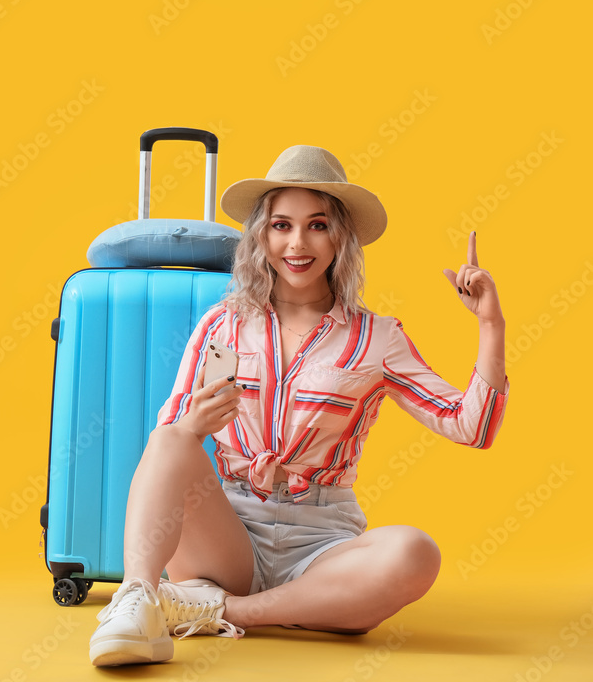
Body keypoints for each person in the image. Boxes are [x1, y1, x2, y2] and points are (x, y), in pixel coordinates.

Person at [89, 144, 509, 667]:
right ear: (261, 236)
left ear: (341, 237)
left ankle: (226, 611)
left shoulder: (377, 338)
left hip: (323, 548)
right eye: (281, 225)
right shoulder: (222, 324)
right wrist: (192, 425)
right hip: (228, 539)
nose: (297, 243)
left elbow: (470, 426)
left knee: (414, 552)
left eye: (317, 225)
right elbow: (170, 452)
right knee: (168, 437)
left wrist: (490, 325)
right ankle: (137, 600)